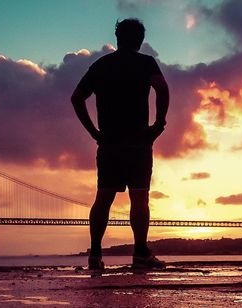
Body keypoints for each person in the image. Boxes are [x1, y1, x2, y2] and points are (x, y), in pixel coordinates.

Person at [71, 18, 169, 270]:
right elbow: (162, 89)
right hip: (138, 141)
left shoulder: (101, 65)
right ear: (140, 40)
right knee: (140, 199)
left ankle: (94, 255)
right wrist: (158, 124)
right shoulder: (146, 63)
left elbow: (76, 98)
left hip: (110, 142)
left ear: (117, 38)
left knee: (103, 198)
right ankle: (140, 253)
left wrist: (94, 131)